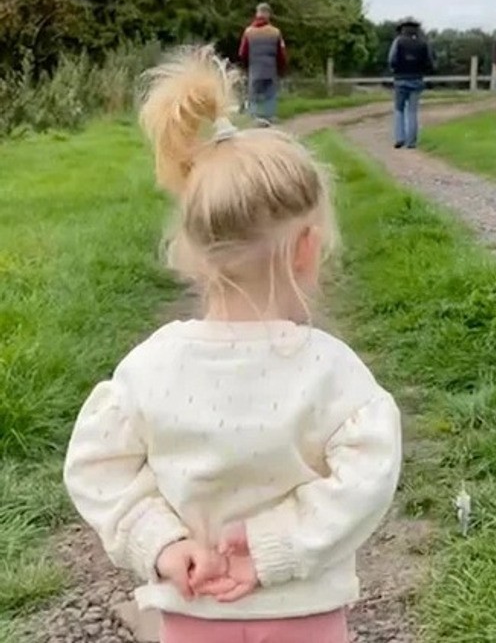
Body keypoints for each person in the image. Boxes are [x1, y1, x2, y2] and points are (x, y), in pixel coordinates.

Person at [63, 46, 402, 643]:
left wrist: (162, 543)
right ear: (306, 249)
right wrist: (277, 545)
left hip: (190, 608)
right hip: (303, 612)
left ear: (193, 251)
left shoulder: (148, 369)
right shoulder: (332, 373)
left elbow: (95, 465)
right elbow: (368, 473)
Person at [388, 17, 435, 149]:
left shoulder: (398, 41)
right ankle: (412, 142)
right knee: (412, 111)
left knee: (399, 110)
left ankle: (399, 138)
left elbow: (392, 59)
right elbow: (430, 62)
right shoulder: (423, 43)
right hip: (417, 79)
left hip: (400, 79)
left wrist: (394, 70)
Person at [238, 2, 287, 126]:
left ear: (257, 14)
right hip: (270, 71)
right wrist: (281, 69)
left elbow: (242, 53)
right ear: (268, 15)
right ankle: (269, 121)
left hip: (254, 70)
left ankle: (254, 122)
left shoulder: (248, 32)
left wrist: (246, 66)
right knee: (269, 97)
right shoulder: (276, 32)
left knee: (253, 97)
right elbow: (281, 54)